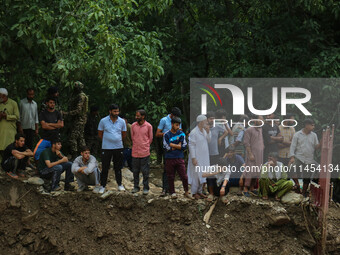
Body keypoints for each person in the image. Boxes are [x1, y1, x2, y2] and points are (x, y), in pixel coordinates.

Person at [97, 104, 127, 193]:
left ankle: (120, 184)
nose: (116, 113)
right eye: (114, 111)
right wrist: (108, 141)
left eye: (117, 111)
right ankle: (102, 185)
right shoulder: (103, 121)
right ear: (110, 111)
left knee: (118, 167)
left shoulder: (122, 121)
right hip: (106, 148)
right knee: (105, 167)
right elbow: (100, 134)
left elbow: (124, 134)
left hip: (118, 147)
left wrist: (117, 140)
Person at [289, 119, 321, 196]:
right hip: (298, 157)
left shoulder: (314, 135)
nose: (313, 127)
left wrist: (322, 142)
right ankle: (297, 185)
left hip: (309, 159)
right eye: (312, 125)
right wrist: (292, 157)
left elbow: (316, 146)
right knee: (292, 169)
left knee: (307, 178)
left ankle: (303, 193)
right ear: (307, 125)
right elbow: (292, 146)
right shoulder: (297, 134)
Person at [155, 107, 182, 196]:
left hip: (176, 147)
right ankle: (164, 188)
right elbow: (157, 133)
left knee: (174, 168)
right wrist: (168, 133)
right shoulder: (164, 120)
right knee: (167, 168)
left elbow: (180, 132)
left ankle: (171, 188)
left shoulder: (178, 120)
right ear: (172, 115)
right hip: (167, 147)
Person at [163, 116, 191, 199]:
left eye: (179, 125)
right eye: (176, 125)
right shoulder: (166, 134)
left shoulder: (181, 134)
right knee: (170, 176)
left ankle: (186, 191)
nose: (178, 127)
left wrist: (173, 145)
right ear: (172, 124)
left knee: (184, 176)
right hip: (169, 158)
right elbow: (166, 147)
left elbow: (184, 146)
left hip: (179, 158)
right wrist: (178, 146)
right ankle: (172, 192)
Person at [62, 81, 88, 159]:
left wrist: (67, 113)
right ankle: (84, 155)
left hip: (79, 120)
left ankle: (75, 156)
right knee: (80, 138)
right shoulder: (79, 95)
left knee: (73, 138)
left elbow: (78, 110)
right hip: (80, 120)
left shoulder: (80, 96)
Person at [188, 115, 211, 199]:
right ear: (201, 122)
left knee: (203, 174)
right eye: (205, 121)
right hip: (197, 157)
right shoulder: (194, 132)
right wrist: (193, 158)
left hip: (204, 157)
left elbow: (209, 140)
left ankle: (200, 191)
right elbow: (191, 145)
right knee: (196, 174)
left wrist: (208, 132)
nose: (207, 122)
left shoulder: (204, 131)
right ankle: (194, 192)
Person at [131, 110, 153, 195]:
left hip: (145, 152)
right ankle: (136, 187)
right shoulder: (133, 125)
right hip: (135, 152)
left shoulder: (148, 126)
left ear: (143, 116)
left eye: (138, 116)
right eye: (136, 116)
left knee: (145, 171)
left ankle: (146, 187)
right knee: (135, 171)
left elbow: (150, 139)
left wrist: (145, 145)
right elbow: (133, 137)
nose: (136, 117)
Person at [242, 115, 264, 197]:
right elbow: (246, 144)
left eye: (262, 120)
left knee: (257, 171)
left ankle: (252, 188)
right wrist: (250, 154)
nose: (261, 121)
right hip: (252, 154)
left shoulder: (260, 129)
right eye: (260, 120)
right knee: (249, 172)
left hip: (260, 155)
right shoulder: (249, 130)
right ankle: (245, 189)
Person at [0, 88, 20, 161]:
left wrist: (6, 116)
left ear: (4, 95)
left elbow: (17, 116)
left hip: (10, 131)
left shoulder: (13, 103)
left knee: (9, 147)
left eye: (0, 96)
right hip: (1, 130)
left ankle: (9, 166)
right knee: (1, 147)